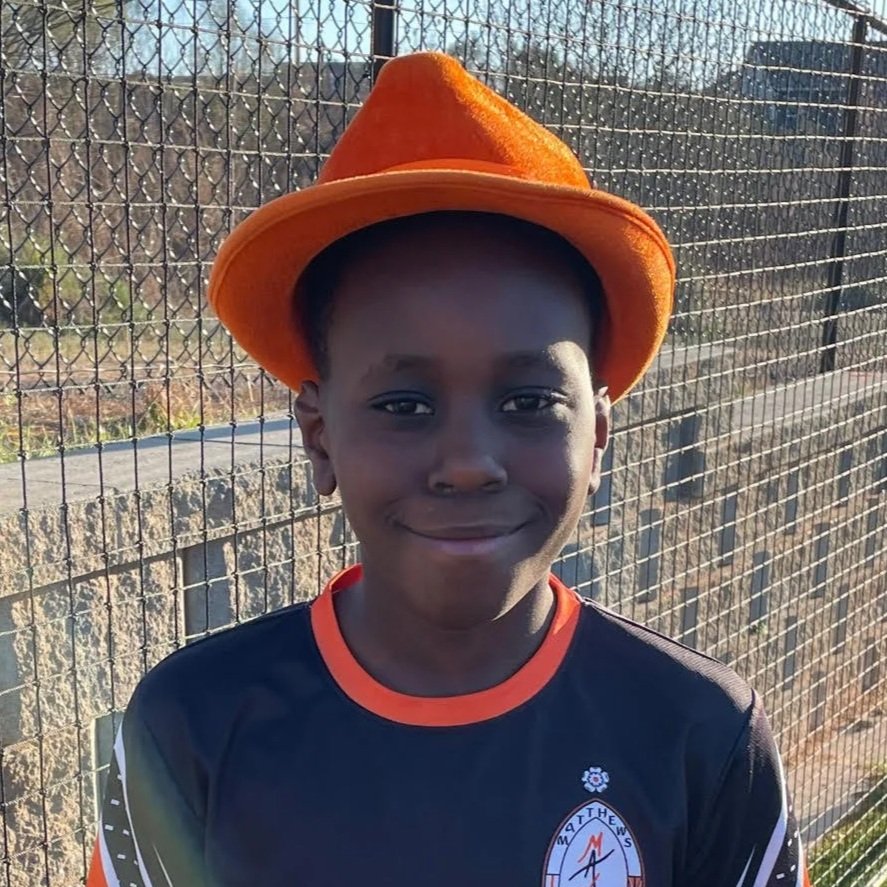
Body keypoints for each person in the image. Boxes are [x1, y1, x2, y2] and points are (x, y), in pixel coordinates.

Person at [87, 51, 811, 887]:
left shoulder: (701, 736)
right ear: (320, 437)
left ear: (600, 429)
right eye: (404, 405)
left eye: (529, 402)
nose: (468, 465)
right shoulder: (190, 729)